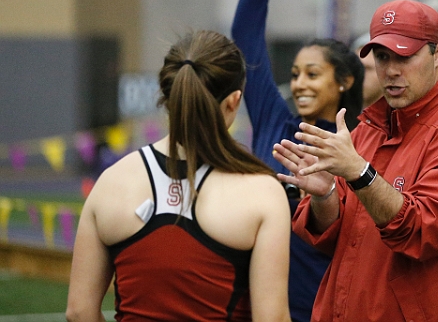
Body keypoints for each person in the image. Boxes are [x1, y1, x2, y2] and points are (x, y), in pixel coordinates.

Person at [272, 0, 438, 322]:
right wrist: (324, 196)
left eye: (404, 56)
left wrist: (359, 173)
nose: (392, 70)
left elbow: (420, 233)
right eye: (382, 57)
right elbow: (333, 239)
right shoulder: (371, 128)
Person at [66, 30, 291, 322]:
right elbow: (271, 318)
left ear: (166, 96)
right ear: (235, 100)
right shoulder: (261, 191)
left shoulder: (112, 181)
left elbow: (79, 311)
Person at [231, 0, 364, 322]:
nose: (301, 84)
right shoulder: (276, 124)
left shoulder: (361, 144)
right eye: (294, 75)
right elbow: (246, 35)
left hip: (329, 309)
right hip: (263, 307)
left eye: (313, 74)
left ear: (343, 81)